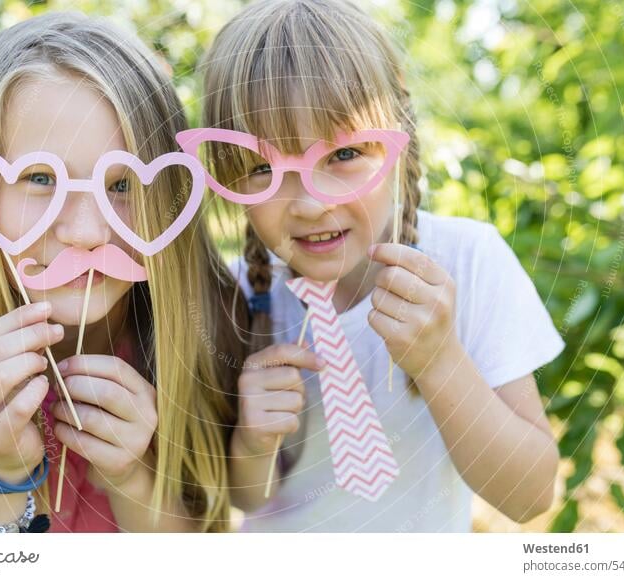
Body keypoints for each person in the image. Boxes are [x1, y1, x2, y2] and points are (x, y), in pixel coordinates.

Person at [193, 0, 565, 531]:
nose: (311, 203)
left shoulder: (468, 261)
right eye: (261, 166)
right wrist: (252, 442)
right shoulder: (235, 294)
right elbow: (245, 500)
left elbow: (529, 496)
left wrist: (440, 362)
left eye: (343, 155)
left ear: (398, 141)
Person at [0, 12, 247, 533]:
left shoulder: (203, 322)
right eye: (39, 178)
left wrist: (133, 481)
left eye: (122, 185)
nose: (85, 232)